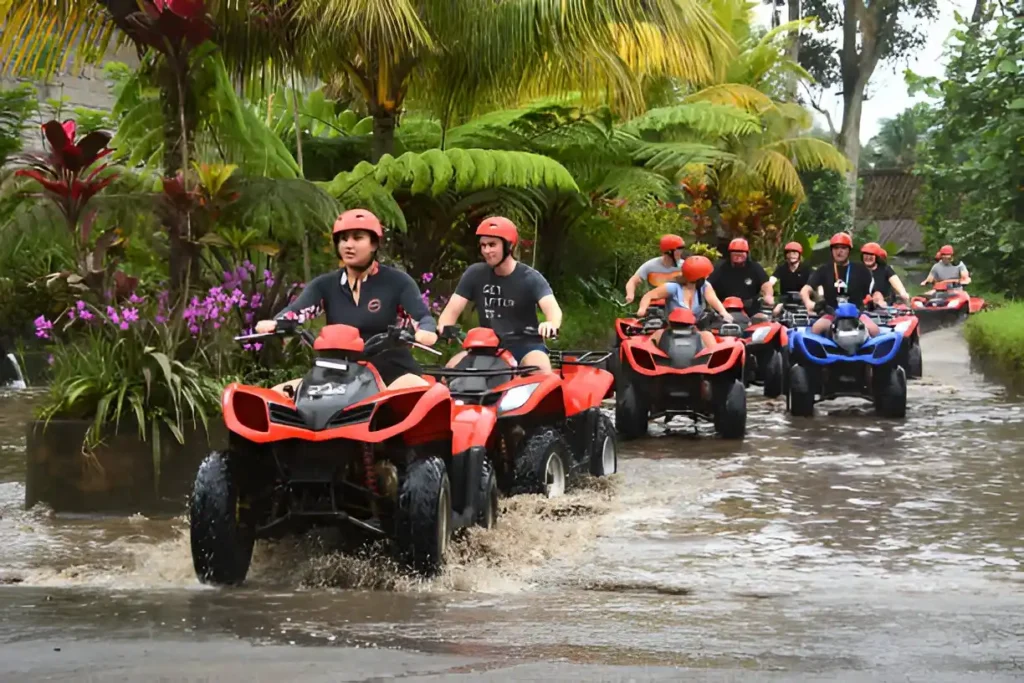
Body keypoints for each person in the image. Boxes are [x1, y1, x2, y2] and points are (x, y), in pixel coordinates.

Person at [255, 209, 438, 394]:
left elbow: (422, 317)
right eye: (343, 239)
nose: (349, 245)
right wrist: (276, 323)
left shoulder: (398, 282)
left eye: (358, 238)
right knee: (277, 395)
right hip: (336, 372)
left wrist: (426, 331)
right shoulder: (324, 284)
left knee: (420, 393)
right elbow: (297, 311)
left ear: (374, 244)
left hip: (392, 372)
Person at [437, 216, 562, 373]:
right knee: (449, 371)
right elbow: (451, 311)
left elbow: (554, 311)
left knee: (540, 370)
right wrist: (444, 328)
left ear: (509, 246)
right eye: (483, 245)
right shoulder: (474, 273)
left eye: (492, 245)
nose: (486, 251)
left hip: (526, 346)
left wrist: (551, 324)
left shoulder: (530, 278)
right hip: (486, 347)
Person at [636, 255, 732, 349]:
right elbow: (648, 296)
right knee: (656, 336)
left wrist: (724, 313)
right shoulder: (672, 287)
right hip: (671, 329)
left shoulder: (705, 286)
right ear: (698, 278)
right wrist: (642, 309)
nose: (707, 278)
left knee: (708, 336)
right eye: (705, 276)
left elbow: (713, 299)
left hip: (694, 329)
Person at [800, 232, 880, 337]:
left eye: (843, 248)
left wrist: (878, 300)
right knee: (816, 328)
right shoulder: (824, 269)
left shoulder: (862, 269)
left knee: (874, 330)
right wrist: (808, 303)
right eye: (836, 248)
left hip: (856, 314)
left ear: (849, 250)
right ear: (832, 250)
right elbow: (805, 290)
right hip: (831, 314)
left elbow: (875, 292)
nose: (839, 251)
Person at [708, 237, 774, 318]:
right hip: (724, 309)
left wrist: (768, 295)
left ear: (747, 253)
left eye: (741, 252)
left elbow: (766, 284)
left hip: (751, 310)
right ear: (730, 253)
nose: (738, 255)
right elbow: (707, 286)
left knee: (763, 319)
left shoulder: (755, 268)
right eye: (735, 252)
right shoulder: (720, 268)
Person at [624, 234, 685, 304]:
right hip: (654, 304)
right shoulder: (651, 265)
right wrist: (630, 294)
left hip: (678, 304)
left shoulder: (684, 266)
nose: (681, 252)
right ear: (669, 252)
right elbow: (633, 280)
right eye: (679, 249)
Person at [769, 241, 810, 316]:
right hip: (785, 299)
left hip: (803, 299)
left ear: (799, 255)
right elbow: (772, 280)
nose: (791, 255)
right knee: (775, 312)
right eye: (789, 253)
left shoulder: (806, 269)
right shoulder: (782, 268)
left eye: (794, 253)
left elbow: (815, 282)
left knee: (812, 312)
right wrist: (768, 289)